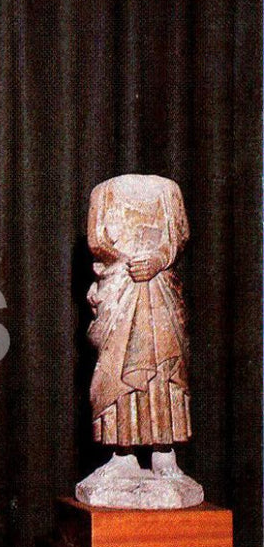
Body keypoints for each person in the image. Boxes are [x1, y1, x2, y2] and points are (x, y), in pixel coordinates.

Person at [83, 173, 191, 481]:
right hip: (119, 287)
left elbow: (179, 236)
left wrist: (157, 260)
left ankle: (164, 452)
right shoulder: (103, 192)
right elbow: (97, 241)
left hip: (159, 289)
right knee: (116, 369)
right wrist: (127, 262)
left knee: (162, 366)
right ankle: (122, 454)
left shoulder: (169, 190)